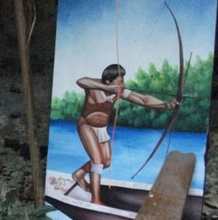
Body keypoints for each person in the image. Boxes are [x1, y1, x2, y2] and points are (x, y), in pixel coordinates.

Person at [69, 63, 176, 205]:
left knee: (106, 162)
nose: (122, 83)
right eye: (119, 80)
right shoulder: (95, 86)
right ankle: (95, 200)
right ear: (108, 80)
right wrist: (107, 88)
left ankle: (79, 174)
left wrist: (166, 105)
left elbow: (143, 100)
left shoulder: (119, 91)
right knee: (97, 161)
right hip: (86, 126)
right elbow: (80, 81)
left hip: (101, 129)